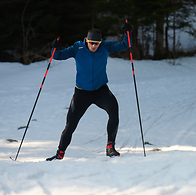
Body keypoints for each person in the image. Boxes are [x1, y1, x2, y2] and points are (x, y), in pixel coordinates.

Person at [46, 23, 132, 161]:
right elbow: (58, 56)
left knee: (114, 111)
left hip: (101, 91)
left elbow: (125, 44)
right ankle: (60, 153)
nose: (94, 46)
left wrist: (128, 33)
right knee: (70, 124)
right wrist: (55, 48)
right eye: (92, 43)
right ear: (86, 40)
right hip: (82, 93)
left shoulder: (104, 46)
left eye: (97, 43)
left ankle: (110, 147)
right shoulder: (77, 48)